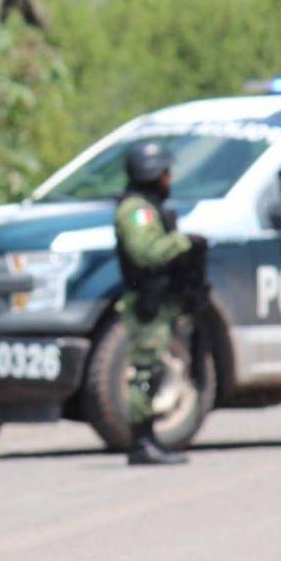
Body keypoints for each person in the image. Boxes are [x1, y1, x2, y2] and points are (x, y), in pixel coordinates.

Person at [113, 140, 207, 466]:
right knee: (145, 372)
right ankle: (141, 442)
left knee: (152, 369)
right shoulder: (136, 210)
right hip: (146, 303)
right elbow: (146, 252)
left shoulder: (149, 206)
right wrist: (183, 242)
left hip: (158, 301)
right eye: (165, 171)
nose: (170, 178)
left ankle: (148, 439)